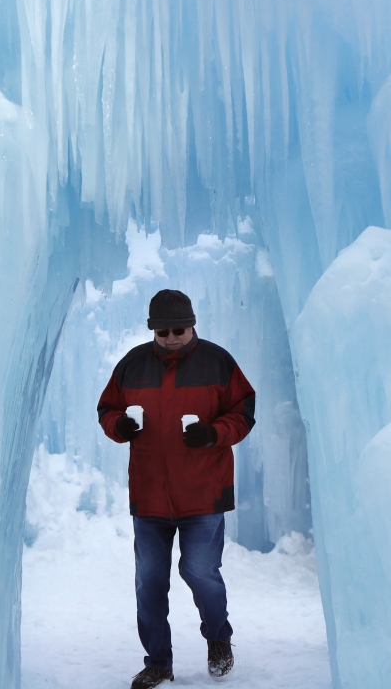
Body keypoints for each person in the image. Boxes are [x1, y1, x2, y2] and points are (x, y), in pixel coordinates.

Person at [97, 289, 256, 689]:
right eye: (163, 330)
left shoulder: (218, 362)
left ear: (192, 325)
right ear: (153, 329)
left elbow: (243, 411)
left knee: (200, 571)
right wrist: (120, 426)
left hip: (203, 494)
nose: (172, 337)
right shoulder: (132, 365)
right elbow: (107, 409)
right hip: (150, 497)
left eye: (179, 330)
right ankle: (158, 663)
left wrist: (213, 433)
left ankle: (218, 638)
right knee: (149, 581)